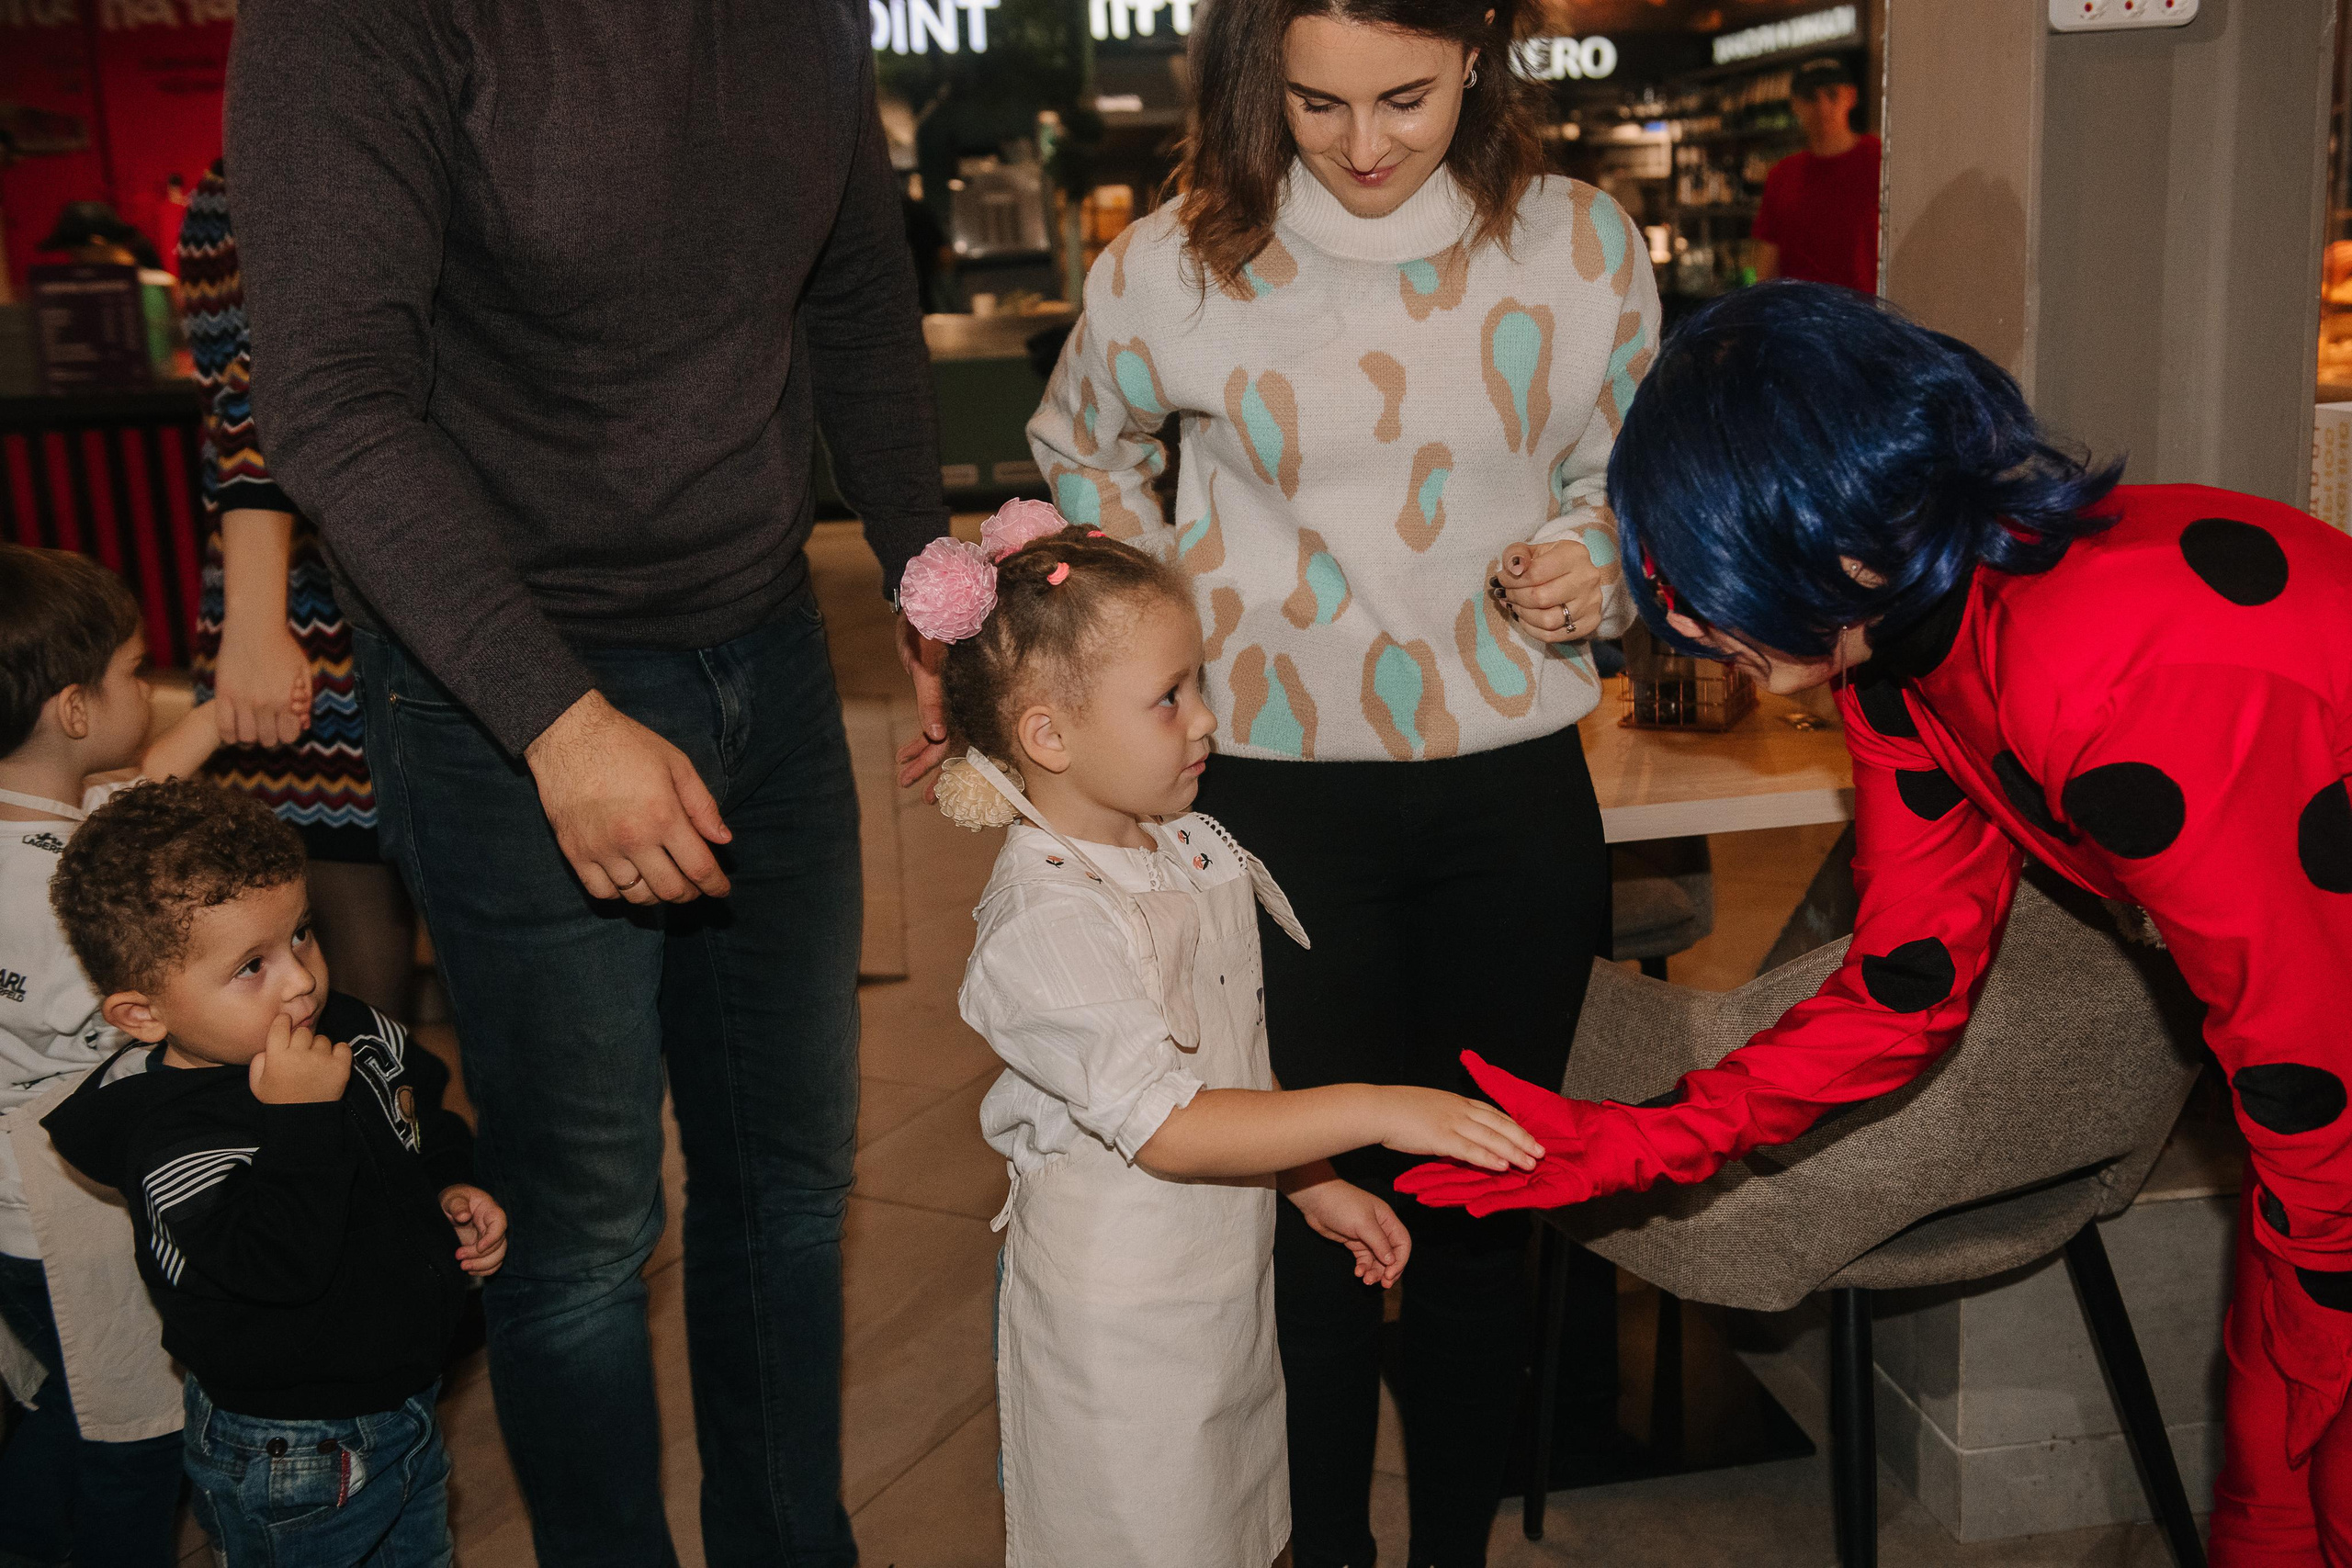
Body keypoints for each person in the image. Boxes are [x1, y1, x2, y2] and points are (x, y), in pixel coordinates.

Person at [1396, 281, 2352, 1566]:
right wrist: (1661, 1135)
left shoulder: (2112, 679)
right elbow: (1902, 988)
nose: (1672, 618)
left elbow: (2315, 1090)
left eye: (1694, 575)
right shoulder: (1908, 665)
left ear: (1832, 533)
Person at [224, 6, 954, 1562]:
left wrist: (927, 571)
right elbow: (333, 393)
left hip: (767, 634)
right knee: (582, 1233)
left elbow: (857, 296)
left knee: (791, 1188)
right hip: (507, 679)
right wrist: (558, 720)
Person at [1024, 1, 1653, 1560]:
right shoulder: (1172, 260)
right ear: (1257, 80)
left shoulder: (1580, 246)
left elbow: (1636, 481)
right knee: (1304, 1225)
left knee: (1477, 1218)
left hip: (1511, 800)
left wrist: (1598, 562)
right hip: (1268, 803)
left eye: (1407, 98)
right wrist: (1163, 627)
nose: (1364, 144)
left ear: (1481, 61)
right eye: (1317, 103)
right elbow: (1078, 445)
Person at [917, 507, 1544, 1566]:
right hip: (1116, 1330)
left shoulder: (1181, 848)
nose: (1206, 720)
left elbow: (1224, 1068)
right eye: (1168, 699)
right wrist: (1382, 1109)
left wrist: (1308, 1181)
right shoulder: (1049, 922)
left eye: (1197, 684)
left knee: (1231, 1526)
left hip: (1217, 1293)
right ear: (1047, 736)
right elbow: (1167, 1124)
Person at [44, 778, 506, 1568]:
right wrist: (300, 1119)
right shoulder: (173, 1139)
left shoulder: (348, 1028)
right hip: (291, 1451)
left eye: (300, 935)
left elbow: (423, 1114)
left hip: (405, 1405)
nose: (300, 979)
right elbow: (275, 1264)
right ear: (143, 1014)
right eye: (250, 966)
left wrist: (447, 1185)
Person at [0, 547, 221, 1568]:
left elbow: (122, 802)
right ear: (76, 710)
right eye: (140, 670)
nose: (152, 684)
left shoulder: (32, 834)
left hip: (19, 1213)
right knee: (132, 1427)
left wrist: (218, 720)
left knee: (55, 1400)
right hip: (57, 1218)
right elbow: (107, 1012)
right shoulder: (48, 893)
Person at [177, 159, 417, 1021]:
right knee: (335, 950)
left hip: (302, 592)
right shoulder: (272, 173)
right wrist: (256, 617)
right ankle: (380, 1138)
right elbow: (262, 384)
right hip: (309, 604)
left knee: (340, 935)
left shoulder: (238, 178)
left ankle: (388, 1130)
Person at [1749, 57, 1881, 294]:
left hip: (1866, 322)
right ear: (1795, 105)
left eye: (1832, 94)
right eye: (1810, 97)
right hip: (1799, 322)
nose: (1822, 108)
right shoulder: (1782, 175)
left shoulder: (1880, 160)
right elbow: (1768, 265)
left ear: (1851, 97)